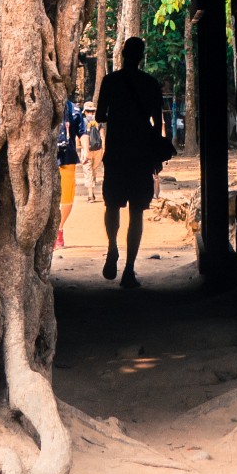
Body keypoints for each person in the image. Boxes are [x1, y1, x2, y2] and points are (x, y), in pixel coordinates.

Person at [95, 36, 166, 288]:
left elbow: (101, 114)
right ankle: (129, 270)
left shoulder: (110, 82)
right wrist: (156, 156)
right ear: (142, 56)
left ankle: (112, 246)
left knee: (112, 205)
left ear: (123, 53)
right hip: (141, 154)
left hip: (116, 152)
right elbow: (157, 123)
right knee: (137, 212)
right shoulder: (151, 84)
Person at [55, 95, 87, 249]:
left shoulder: (73, 109)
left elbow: (83, 132)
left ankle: (59, 229)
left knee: (67, 197)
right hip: (44, 159)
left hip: (67, 158)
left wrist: (86, 149)